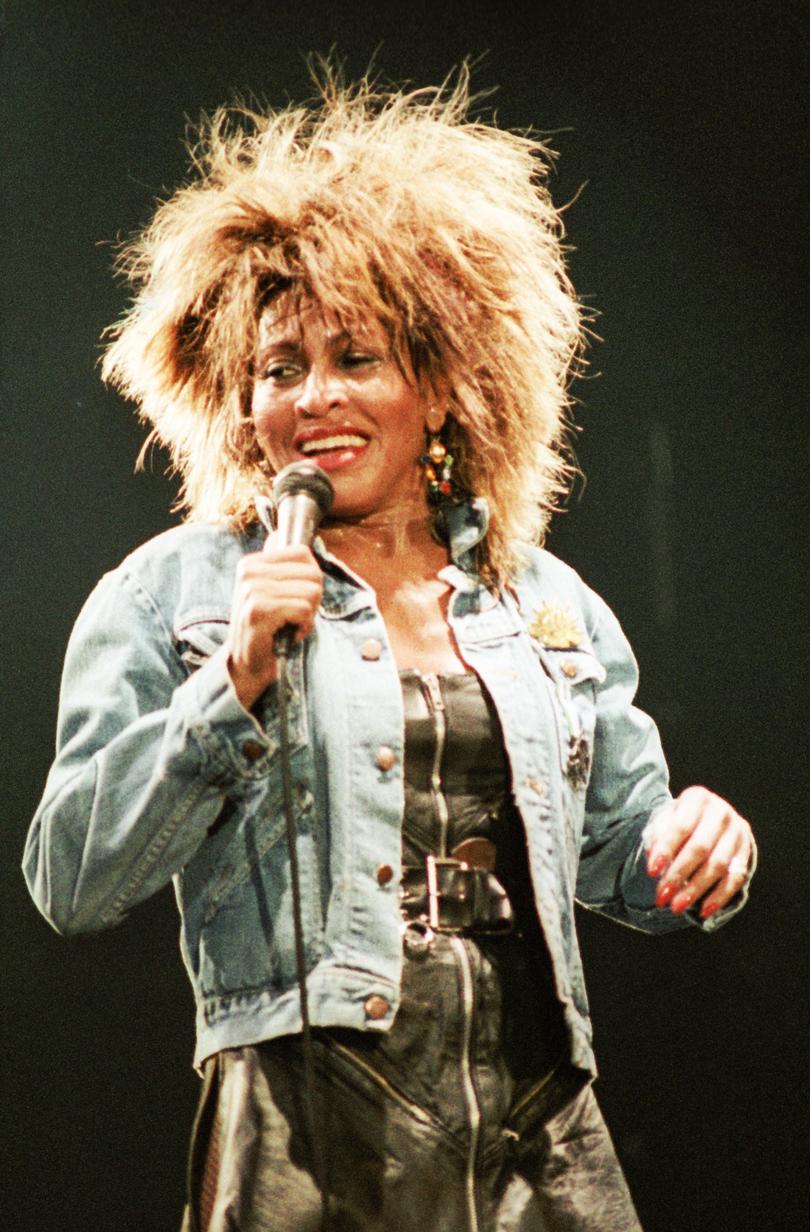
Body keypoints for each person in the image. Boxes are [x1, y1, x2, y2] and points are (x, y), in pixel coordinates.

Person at [23, 73, 755, 1232]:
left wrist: (698, 842)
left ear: (446, 386)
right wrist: (235, 680)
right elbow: (69, 874)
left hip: (539, 1119)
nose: (313, 397)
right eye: (278, 368)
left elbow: (626, 854)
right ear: (237, 397)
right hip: (306, 1125)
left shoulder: (546, 603)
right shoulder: (173, 592)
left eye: (356, 356)